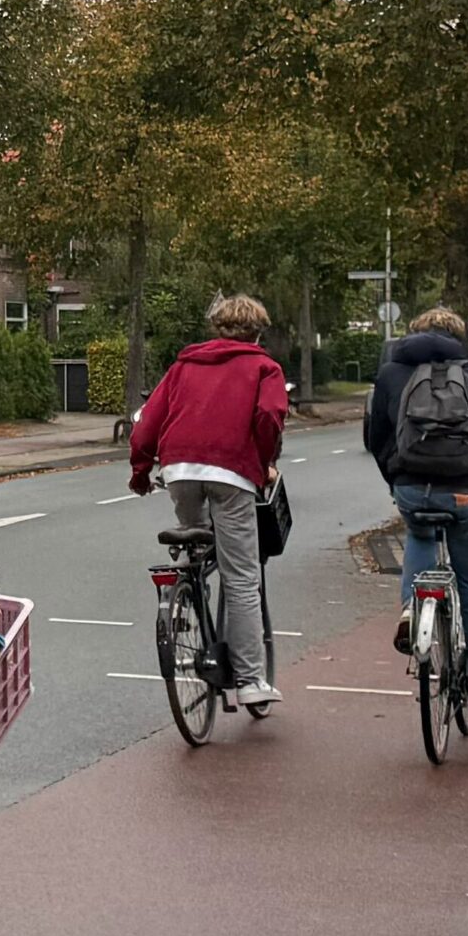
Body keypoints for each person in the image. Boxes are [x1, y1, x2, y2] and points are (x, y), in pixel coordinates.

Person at [363, 302, 468, 719]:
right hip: (463, 491)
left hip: (411, 490)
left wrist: (396, 479)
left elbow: (375, 436)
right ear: (458, 339)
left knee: (419, 533)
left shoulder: (390, 374)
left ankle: (412, 607)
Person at [125, 292, 289, 715]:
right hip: (232, 473)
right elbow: (270, 416)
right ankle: (251, 680)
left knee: (196, 540)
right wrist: (264, 461)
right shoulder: (263, 367)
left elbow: (147, 425)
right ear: (256, 332)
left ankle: (184, 590)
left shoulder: (183, 366)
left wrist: (141, 472)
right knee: (241, 577)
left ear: (216, 326)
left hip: (179, 469)